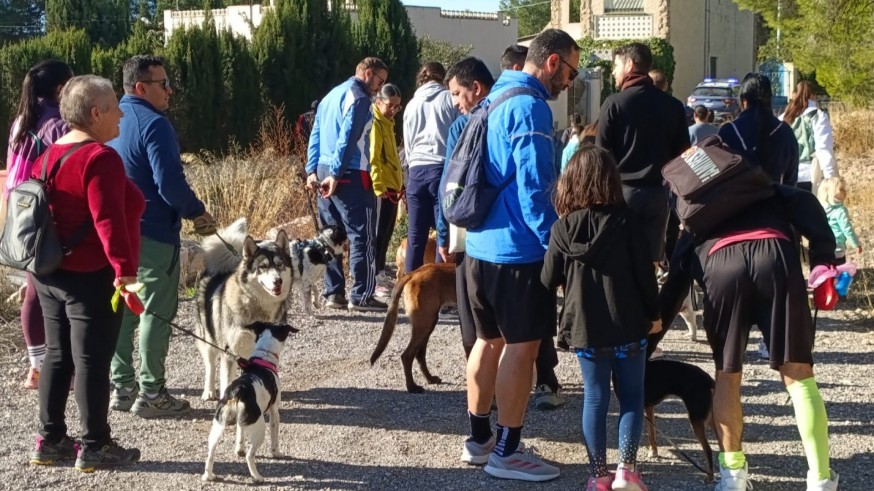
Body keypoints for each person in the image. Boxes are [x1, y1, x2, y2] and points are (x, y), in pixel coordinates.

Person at [460, 29, 579, 482]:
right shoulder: (530, 108)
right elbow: (536, 191)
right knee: (522, 347)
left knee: (487, 340)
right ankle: (507, 452)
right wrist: (557, 247)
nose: (570, 81)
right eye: (570, 71)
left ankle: (479, 439)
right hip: (516, 251)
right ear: (551, 63)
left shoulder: (490, 99)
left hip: (477, 248)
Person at [28, 74, 144, 470]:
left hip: (49, 274)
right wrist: (125, 273)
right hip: (90, 276)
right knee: (93, 360)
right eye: (115, 107)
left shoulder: (47, 155)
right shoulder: (99, 158)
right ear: (95, 113)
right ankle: (96, 445)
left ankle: (51, 440)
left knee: (59, 357)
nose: (122, 115)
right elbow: (108, 220)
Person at [542, 145, 661, 491]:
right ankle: (627, 469)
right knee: (631, 397)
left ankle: (598, 475)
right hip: (628, 324)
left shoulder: (563, 229)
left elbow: (547, 279)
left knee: (595, 399)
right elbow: (645, 276)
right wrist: (654, 315)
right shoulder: (627, 223)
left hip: (586, 329)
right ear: (611, 180)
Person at [109, 55, 216, 418]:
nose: (170, 90)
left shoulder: (112, 119)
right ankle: (152, 392)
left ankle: (122, 385)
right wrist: (197, 212)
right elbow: (170, 184)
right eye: (163, 84)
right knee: (155, 310)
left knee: (124, 307)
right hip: (152, 233)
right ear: (141, 87)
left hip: (117, 233)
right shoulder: (154, 124)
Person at [4, 60, 73, 390]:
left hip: (19, 212)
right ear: (61, 89)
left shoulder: (21, 121)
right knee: (55, 292)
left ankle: (36, 365)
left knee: (33, 289)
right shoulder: (60, 124)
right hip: (47, 215)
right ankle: (58, 369)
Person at [306, 57, 389, 311]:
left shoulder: (331, 95)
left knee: (330, 234)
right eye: (380, 80)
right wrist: (336, 172)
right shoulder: (360, 98)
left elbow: (316, 132)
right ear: (368, 73)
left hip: (322, 170)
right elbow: (349, 137)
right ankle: (361, 294)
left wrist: (311, 169)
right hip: (349, 172)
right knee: (361, 234)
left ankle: (334, 293)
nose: (379, 87)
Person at [597, 43, 690, 267]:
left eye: (616, 65)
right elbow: (683, 154)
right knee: (649, 262)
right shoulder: (673, 106)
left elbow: (600, 156)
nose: (613, 72)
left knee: (620, 261)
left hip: (622, 195)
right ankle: (647, 301)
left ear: (630, 65)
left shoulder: (614, 104)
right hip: (659, 195)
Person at [402, 62, 459, 274]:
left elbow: (407, 143)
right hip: (441, 168)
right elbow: (457, 134)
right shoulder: (448, 98)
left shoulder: (411, 104)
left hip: (416, 170)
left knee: (415, 235)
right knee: (443, 233)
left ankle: (409, 287)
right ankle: (440, 289)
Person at [718, 73, 798, 186]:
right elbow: (791, 181)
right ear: (769, 99)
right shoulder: (785, 131)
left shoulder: (729, 131)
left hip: (738, 202)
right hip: (777, 200)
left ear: (743, 101)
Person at [369, 83, 404, 298]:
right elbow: (374, 157)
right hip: (382, 188)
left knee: (386, 234)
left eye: (397, 107)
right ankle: (374, 277)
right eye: (390, 105)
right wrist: (378, 186)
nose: (394, 110)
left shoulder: (388, 123)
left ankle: (380, 270)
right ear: (379, 101)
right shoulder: (375, 123)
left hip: (392, 186)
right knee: (377, 235)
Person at [780, 80, 838, 193]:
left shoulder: (783, 117)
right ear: (813, 96)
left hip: (786, 177)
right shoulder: (818, 116)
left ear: (794, 95)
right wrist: (830, 177)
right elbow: (824, 148)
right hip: (809, 176)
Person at [817, 177, 861, 265]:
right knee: (838, 273)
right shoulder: (840, 210)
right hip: (837, 249)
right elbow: (847, 229)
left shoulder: (820, 209)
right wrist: (856, 244)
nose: (845, 191)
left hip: (822, 248)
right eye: (841, 189)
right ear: (832, 193)